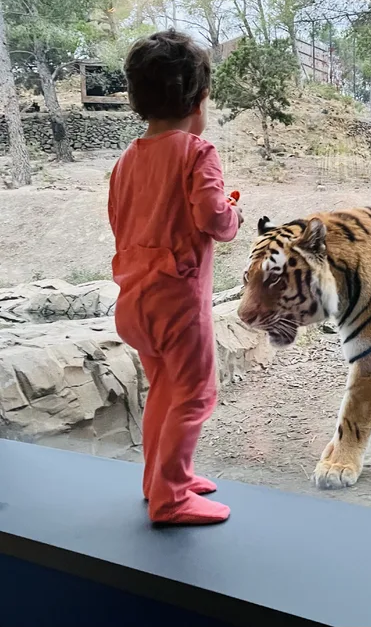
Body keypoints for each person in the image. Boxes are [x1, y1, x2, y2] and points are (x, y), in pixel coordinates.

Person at [108, 29, 243, 525]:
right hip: (178, 305)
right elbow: (214, 220)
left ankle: (162, 478)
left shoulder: (125, 162)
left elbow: (121, 223)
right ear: (200, 100)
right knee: (195, 394)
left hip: (134, 301)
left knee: (163, 390)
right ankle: (171, 498)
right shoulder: (196, 152)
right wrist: (232, 212)